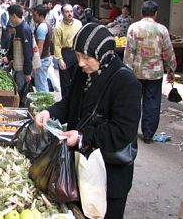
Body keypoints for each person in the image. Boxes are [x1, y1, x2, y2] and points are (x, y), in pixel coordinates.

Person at [35, 23, 142, 219]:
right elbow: (69, 104)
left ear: (104, 54)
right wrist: (49, 112)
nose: (81, 63)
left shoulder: (125, 82)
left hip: (109, 175)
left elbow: (122, 131)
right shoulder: (83, 73)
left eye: (86, 57)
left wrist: (83, 137)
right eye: (78, 56)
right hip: (80, 167)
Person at [124, 0, 177, 143]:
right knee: (152, 103)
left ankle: (129, 131)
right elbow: (168, 52)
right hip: (155, 73)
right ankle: (148, 134)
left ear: (142, 12)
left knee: (133, 102)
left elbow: (129, 52)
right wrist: (171, 70)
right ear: (155, 14)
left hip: (136, 71)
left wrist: (126, 70)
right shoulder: (162, 30)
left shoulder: (133, 28)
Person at [3, 5, 40, 93]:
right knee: (18, 89)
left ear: (14, 16)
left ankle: (21, 106)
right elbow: (13, 46)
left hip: (22, 68)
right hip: (19, 66)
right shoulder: (17, 28)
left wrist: (27, 72)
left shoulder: (24, 29)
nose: (10, 19)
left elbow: (28, 53)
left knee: (21, 91)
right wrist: (8, 57)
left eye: (10, 16)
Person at [54, 4, 82, 97]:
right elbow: (57, 45)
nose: (69, 14)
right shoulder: (58, 27)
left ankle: (75, 101)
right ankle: (65, 103)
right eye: (67, 12)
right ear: (62, 13)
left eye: (71, 11)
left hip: (77, 53)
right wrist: (60, 60)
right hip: (65, 53)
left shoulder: (79, 23)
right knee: (65, 82)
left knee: (77, 80)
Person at [32, 5, 53, 93]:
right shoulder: (46, 25)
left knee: (41, 86)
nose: (33, 17)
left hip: (42, 59)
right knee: (43, 83)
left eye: (35, 15)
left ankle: (44, 105)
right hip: (45, 58)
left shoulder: (41, 28)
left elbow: (39, 47)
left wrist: (36, 63)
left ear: (41, 16)